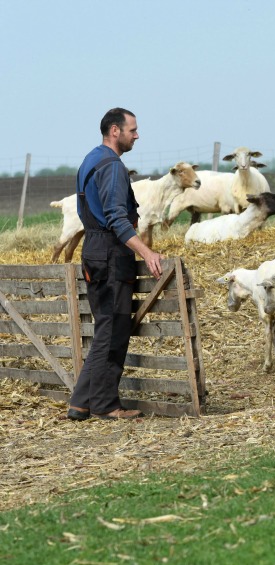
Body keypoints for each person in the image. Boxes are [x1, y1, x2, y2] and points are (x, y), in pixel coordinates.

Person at [67, 108, 165, 421]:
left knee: (105, 329)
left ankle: (81, 403)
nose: (137, 135)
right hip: (110, 252)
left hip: (93, 249)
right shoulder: (112, 166)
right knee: (112, 331)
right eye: (132, 130)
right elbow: (117, 218)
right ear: (114, 131)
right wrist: (147, 252)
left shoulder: (90, 160)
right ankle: (106, 406)